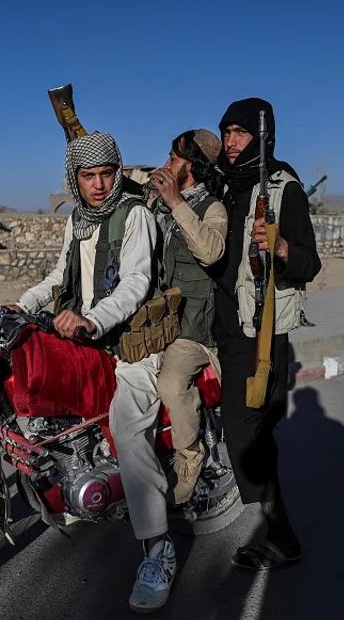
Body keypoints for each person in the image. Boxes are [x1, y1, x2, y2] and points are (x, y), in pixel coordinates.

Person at [7, 131, 177, 613]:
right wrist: (21, 305)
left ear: (117, 171)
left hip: (131, 342)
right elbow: (60, 276)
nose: (99, 185)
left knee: (127, 426)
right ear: (74, 179)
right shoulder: (78, 220)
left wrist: (94, 318)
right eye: (88, 176)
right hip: (85, 336)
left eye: (106, 174)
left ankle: (158, 548)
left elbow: (137, 281)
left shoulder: (135, 214)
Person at [211, 97, 321, 571]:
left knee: (245, 428)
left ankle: (280, 533)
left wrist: (278, 246)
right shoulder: (222, 184)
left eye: (240, 133)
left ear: (261, 136)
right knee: (249, 426)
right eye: (227, 132)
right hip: (222, 323)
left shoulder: (283, 187)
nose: (232, 142)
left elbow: (309, 262)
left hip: (262, 327)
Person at [148, 129, 228, 505]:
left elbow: (211, 252)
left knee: (171, 385)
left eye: (175, 159)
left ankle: (189, 454)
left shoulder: (212, 208)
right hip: (157, 318)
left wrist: (175, 200)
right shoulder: (157, 204)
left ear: (192, 167)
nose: (167, 164)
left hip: (194, 325)